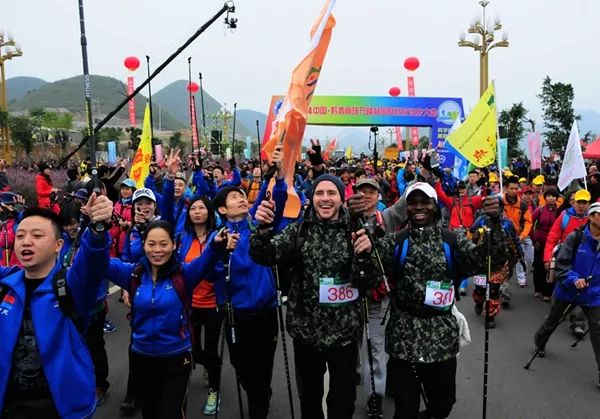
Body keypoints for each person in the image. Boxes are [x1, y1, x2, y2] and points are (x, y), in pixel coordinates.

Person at [372, 182, 507, 419]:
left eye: (425, 202)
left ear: (435, 206)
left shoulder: (451, 241)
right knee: (405, 409)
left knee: (443, 405)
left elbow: (490, 261)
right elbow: (367, 270)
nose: (419, 207)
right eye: (413, 203)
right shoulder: (397, 242)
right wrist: (362, 241)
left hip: (441, 338)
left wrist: (495, 223)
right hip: (404, 337)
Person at [250, 173, 371, 419]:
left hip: (345, 336)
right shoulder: (298, 230)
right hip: (307, 335)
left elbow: (372, 279)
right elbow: (265, 255)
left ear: (341, 198)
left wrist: (366, 256)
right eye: (319, 193)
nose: (325, 199)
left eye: (331, 193)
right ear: (311, 198)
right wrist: (262, 230)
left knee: (343, 402)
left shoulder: (357, 230)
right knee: (310, 402)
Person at [105, 220, 233, 419]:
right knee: (150, 412)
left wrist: (216, 244)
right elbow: (98, 261)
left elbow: (206, 259)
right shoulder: (132, 274)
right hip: (142, 357)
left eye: (164, 244)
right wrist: (95, 230)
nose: (157, 250)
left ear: (174, 244)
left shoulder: (185, 274)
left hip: (176, 357)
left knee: (171, 413)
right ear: (144, 244)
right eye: (151, 244)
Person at [0, 196, 114, 419]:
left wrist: (98, 228)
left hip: (61, 410)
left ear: (58, 245)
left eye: (38, 235)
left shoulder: (70, 286)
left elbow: (92, 260)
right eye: (21, 235)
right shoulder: (7, 284)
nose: (26, 241)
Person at [534, 202, 600, 389]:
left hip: (594, 294)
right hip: (568, 290)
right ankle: (540, 342)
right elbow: (562, 264)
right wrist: (573, 278)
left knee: (598, 329)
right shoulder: (576, 237)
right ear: (591, 217)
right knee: (553, 320)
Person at [175, 195, 223, 415]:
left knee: (212, 350)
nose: (197, 212)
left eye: (201, 208)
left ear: (209, 212)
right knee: (193, 349)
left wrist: (208, 269)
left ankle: (214, 389)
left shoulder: (217, 237)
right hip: (189, 305)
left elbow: (221, 268)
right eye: (193, 208)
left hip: (213, 303)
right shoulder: (182, 238)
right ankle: (206, 364)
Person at [503, 176, 533, 288]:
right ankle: (504, 288)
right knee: (505, 265)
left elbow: (528, 222)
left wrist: (523, 235)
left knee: (528, 258)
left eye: (516, 188)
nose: (514, 191)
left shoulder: (523, 204)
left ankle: (522, 273)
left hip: (520, 236)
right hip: (504, 238)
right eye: (512, 188)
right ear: (506, 188)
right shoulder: (500, 202)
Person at [531, 189, 561, 301]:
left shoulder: (560, 211)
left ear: (557, 198)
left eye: (553, 196)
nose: (551, 198)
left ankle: (548, 292)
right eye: (548, 196)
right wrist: (534, 240)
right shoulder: (540, 210)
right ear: (545, 197)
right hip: (540, 243)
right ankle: (538, 289)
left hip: (554, 244)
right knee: (538, 266)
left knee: (551, 267)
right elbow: (530, 223)